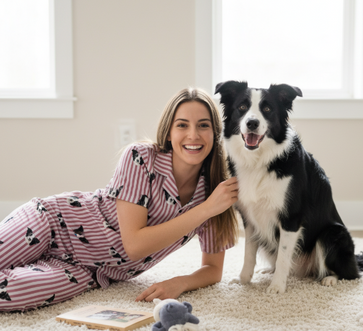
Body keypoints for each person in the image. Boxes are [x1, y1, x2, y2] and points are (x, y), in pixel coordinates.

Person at [0, 88, 239, 312]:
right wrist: (205, 210)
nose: (193, 135)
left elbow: (213, 269)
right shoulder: (141, 157)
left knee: (11, 292)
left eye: (203, 125)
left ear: (216, 133)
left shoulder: (215, 192)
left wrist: (180, 282)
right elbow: (134, 245)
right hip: (53, 223)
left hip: (90, 272)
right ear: (169, 132)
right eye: (182, 125)